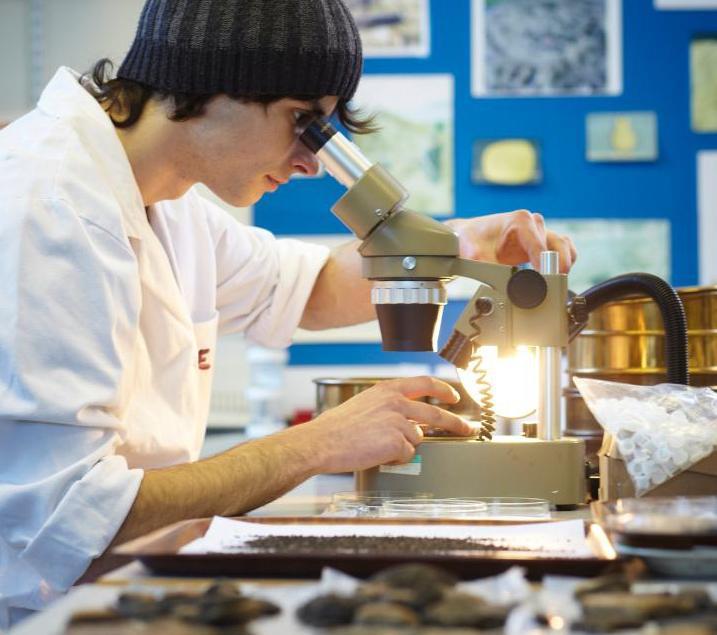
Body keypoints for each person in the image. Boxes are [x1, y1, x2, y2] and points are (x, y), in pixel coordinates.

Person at [0, 0, 576, 624]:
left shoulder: (168, 202)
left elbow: (308, 287)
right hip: (36, 611)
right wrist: (320, 443)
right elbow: (74, 519)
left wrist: (460, 242)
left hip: (116, 587)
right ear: (210, 79)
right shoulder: (51, 206)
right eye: (303, 121)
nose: (309, 163)